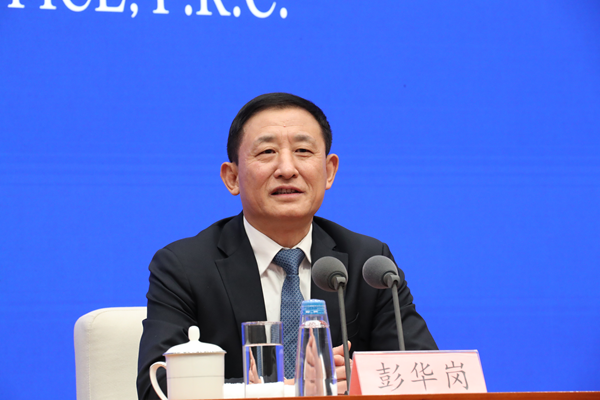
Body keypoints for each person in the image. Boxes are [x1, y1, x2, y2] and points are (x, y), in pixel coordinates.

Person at [137, 93, 437, 400]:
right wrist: (284, 389)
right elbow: (156, 388)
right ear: (232, 177)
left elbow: (425, 377)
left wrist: (361, 380)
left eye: (303, 151)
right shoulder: (184, 266)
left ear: (329, 171)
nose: (287, 168)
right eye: (267, 152)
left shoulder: (369, 263)